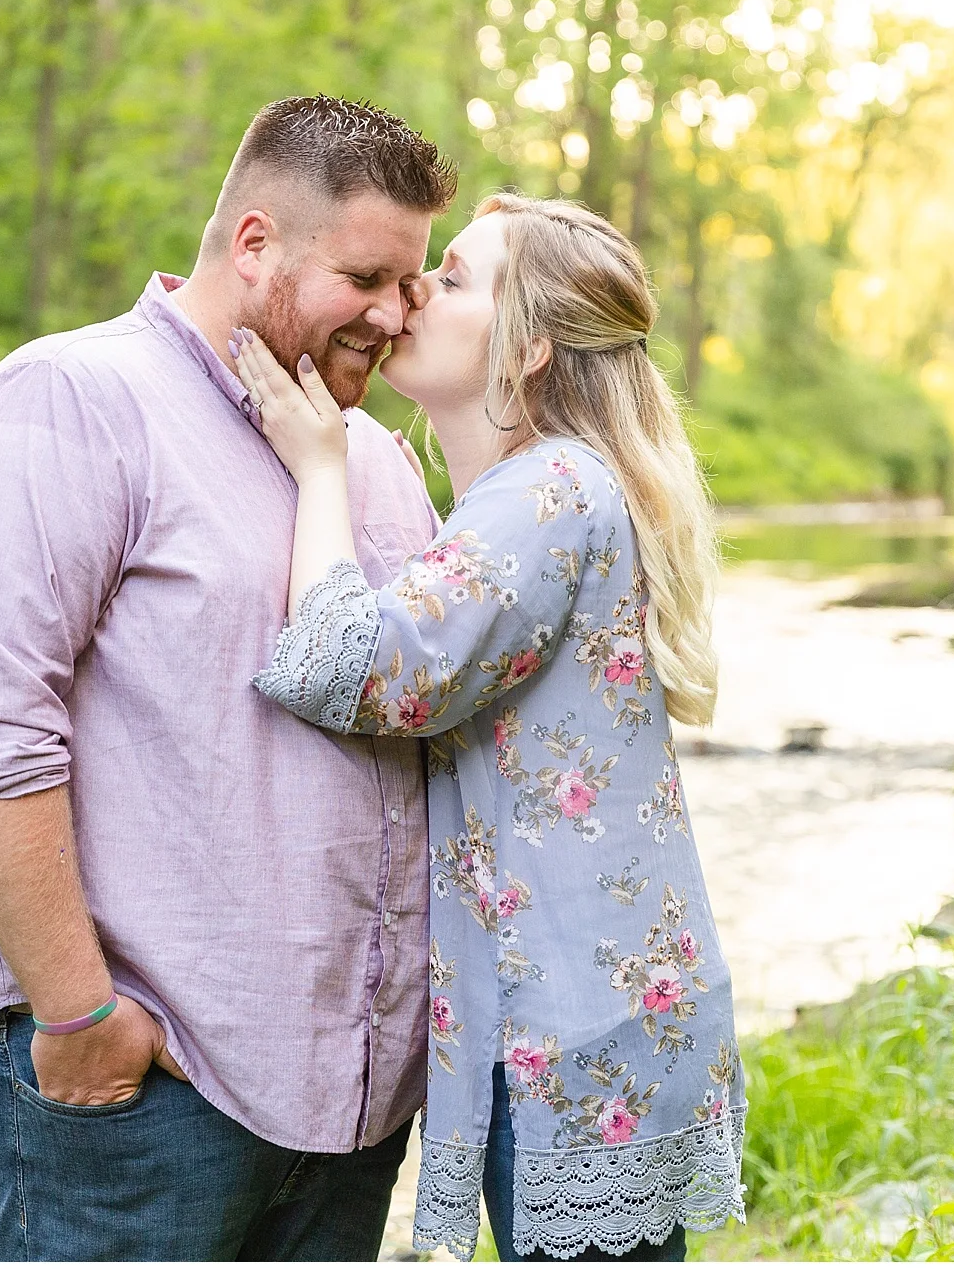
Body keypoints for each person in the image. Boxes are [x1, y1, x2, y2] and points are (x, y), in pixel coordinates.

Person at [0, 96, 458, 1260]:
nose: (395, 316)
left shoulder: (367, 459)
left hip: (347, 1098)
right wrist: (80, 1015)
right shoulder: (69, 402)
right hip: (145, 1089)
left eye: (411, 285)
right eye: (367, 276)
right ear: (254, 243)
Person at [238, 193, 747, 1261]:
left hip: (572, 1035)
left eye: (455, 276)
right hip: (575, 1018)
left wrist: (319, 467)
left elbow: (355, 672)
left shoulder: (550, 491)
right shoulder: (523, 493)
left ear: (529, 350)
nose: (416, 291)